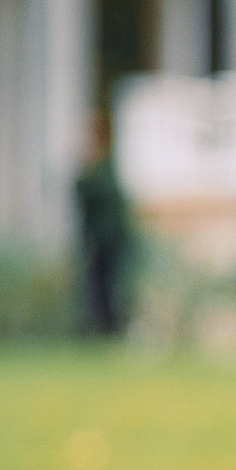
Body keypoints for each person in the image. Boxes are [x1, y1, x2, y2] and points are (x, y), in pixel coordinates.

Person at [75, 108, 134, 338]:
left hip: (111, 239)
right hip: (98, 239)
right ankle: (100, 326)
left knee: (111, 285)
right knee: (96, 285)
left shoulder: (105, 167)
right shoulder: (95, 167)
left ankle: (111, 327)